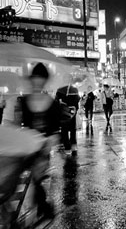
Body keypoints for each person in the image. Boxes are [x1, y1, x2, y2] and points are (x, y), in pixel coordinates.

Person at [20, 62, 61, 218]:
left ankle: (44, 209)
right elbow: (21, 125)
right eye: (35, 78)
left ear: (44, 81)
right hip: (25, 148)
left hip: (42, 150)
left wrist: (46, 144)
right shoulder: (24, 101)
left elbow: (55, 133)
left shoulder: (52, 104)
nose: (37, 82)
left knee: (36, 180)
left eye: (40, 78)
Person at [55, 83, 81, 155]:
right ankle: (73, 144)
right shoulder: (74, 89)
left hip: (64, 112)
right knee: (73, 129)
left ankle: (67, 147)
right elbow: (77, 100)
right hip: (73, 111)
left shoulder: (60, 90)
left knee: (64, 129)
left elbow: (56, 100)